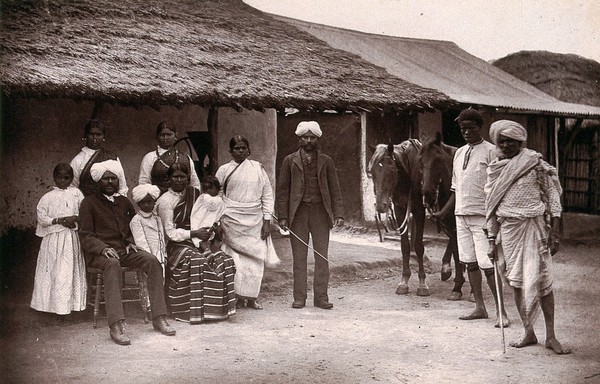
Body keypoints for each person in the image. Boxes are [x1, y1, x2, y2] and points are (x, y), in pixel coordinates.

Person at [485, 120, 570, 354]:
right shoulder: (495, 169)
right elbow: (491, 207)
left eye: (510, 140)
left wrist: (554, 230)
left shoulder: (534, 164)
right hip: (508, 232)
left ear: (520, 142)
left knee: (542, 281)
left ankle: (551, 336)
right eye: (501, 141)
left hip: (534, 228)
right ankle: (528, 331)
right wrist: (491, 240)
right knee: (516, 281)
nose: (505, 144)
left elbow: (552, 197)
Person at [79, 160, 175, 345]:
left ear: (118, 181)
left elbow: (133, 225)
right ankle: (116, 325)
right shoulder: (88, 203)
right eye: (105, 179)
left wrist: (131, 242)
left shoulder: (124, 202)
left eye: (113, 179)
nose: (109, 182)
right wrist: (103, 248)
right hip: (100, 254)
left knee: (152, 261)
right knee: (112, 264)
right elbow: (85, 235)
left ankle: (159, 317)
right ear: (99, 181)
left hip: (123, 250)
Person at [433, 108, 508, 327]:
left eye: (471, 128)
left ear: (480, 128)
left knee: (488, 265)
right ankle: (479, 307)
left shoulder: (492, 151)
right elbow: (456, 190)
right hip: (461, 216)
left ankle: (501, 313)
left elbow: (500, 186)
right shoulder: (458, 153)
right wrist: (443, 212)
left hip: (483, 217)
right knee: (470, 263)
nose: (466, 132)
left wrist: (497, 217)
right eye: (463, 129)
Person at [155, 163, 236, 323]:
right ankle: (189, 310)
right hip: (176, 244)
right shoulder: (165, 201)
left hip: (199, 240)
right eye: (175, 177)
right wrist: (193, 233)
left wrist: (214, 227)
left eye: (182, 177)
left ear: (188, 178)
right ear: (168, 179)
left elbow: (207, 215)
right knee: (196, 260)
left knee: (224, 259)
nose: (179, 180)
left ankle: (215, 311)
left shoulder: (196, 194)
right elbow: (169, 233)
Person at [276, 121, 344, 309]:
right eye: (305, 137)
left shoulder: (326, 161)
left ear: (317, 139)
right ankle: (300, 297)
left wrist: (338, 213)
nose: (308, 141)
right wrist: (282, 216)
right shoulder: (289, 161)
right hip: (298, 214)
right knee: (299, 258)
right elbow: (283, 191)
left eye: (312, 138)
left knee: (322, 257)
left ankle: (321, 297)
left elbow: (334, 189)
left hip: (320, 213)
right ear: (299, 139)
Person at [216, 136, 279, 310]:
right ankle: (234, 296)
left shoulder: (258, 169)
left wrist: (267, 220)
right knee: (234, 259)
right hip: (231, 219)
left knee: (256, 259)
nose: (241, 151)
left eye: (244, 148)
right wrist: (218, 221)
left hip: (255, 220)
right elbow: (217, 196)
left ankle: (252, 297)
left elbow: (267, 194)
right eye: (237, 148)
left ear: (249, 150)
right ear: (230, 151)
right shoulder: (223, 170)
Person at [30, 163, 87, 318]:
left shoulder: (77, 194)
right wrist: (58, 221)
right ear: (54, 178)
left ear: (72, 178)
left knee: (67, 273)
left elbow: (84, 212)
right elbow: (42, 218)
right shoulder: (47, 197)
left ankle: (70, 308)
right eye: (59, 178)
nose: (62, 181)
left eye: (66, 178)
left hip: (70, 240)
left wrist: (75, 218)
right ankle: (50, 308)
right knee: (52, 273)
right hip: (53, 241)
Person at [138, 121, 201, 195]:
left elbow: (194, 183)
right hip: (159, 201)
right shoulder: (150, 158)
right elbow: (144, 183)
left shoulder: (185, 158)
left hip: (183, 201)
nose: (165, 138)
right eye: (162, 135)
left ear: (176, 136)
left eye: (169, 134)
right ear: (157, 137)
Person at [70, 119, 128, 197]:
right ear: (86, 136)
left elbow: (122, 186)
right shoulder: (78, 160)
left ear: (103, 136)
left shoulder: (112, 157)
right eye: (91, 134)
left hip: (110, 204)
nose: (95, 138)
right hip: (88, 205)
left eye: (98, 134)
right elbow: (73, 188)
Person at [130, 184, 167, 276]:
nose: (146, 205)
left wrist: (163, 255)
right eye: (143, 202)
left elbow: (161, 238)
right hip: (147, 257)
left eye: (149, 202)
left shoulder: (157, 219)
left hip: (160, 255)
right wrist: (152, 257)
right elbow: (141, 242)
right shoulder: (136, 220)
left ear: (154, 202)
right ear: (138, 204)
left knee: (162, 277)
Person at [190, 175, 225, 250]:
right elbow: (212, 204)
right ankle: (205, 247)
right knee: (203, 234)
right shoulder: (205, 197)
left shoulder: (218, 199)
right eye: (206, 189)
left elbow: (220, 212)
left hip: (213, 222)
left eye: (210, 188)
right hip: (201, 220)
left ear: (217, 188)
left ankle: (208, 248)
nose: (208, 191)